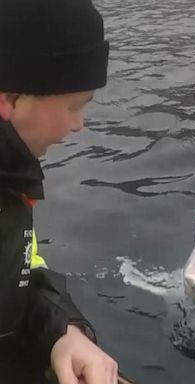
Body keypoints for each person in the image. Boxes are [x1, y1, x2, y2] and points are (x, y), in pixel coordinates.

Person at [0, 0, 122, 383]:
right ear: (11, 100)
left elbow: (20, 267)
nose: (78, 125)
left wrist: (62, 333)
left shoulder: (12, 179)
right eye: (74, 105)